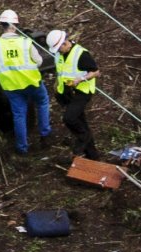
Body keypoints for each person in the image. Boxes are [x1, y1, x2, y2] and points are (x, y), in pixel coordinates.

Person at [0, 11, 48, 156]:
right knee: (42, 102)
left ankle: (22, 148)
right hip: (32, 83)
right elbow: (39, 61)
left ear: (2, 26)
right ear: (16, 25)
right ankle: (45, 136)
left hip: (12, 87)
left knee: (19, 114)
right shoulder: (26, 42)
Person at [47, 28, 98, 161]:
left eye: (59, 48)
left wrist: (80, 79)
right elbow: (61, 72)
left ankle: (83, 139)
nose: (58, 51)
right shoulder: (59, 55)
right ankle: (93, 156)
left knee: (69, 118)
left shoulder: (81, 54)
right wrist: (57, 88)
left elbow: (96, 72)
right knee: (80, 121)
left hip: (82, 91)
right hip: (67, 93)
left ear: (65, 43)